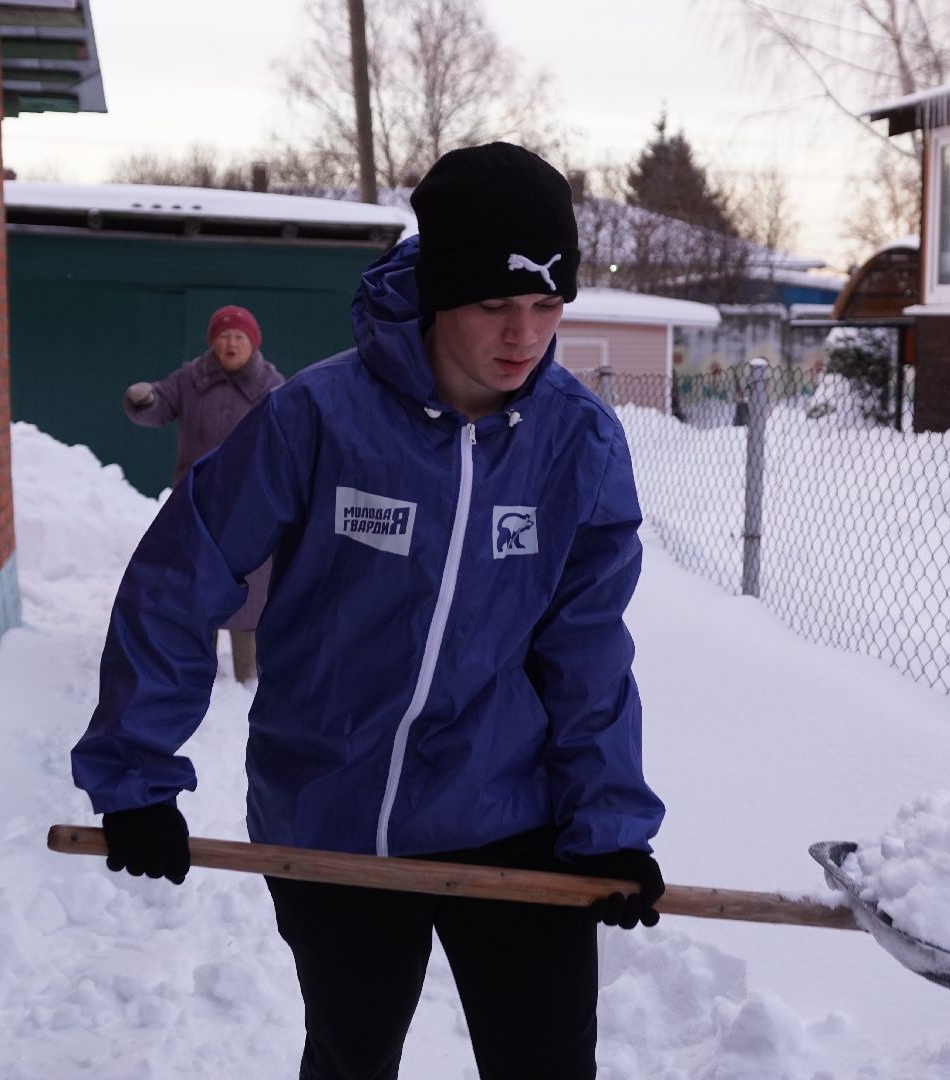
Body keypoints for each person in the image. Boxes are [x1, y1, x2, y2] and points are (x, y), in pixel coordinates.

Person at [73, 142, 666, 1080]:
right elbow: (178, 578)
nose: (525, 336)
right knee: (353, 1057)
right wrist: (137, 777)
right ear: (437, 294)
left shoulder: (578, 441)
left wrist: (611, 824)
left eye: (548, 306)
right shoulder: (319, 418)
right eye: (494, 305)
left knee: (548, 1064)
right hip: (332, 812)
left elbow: (588, 644)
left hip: (509, 808)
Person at [121, 304, 284, 683]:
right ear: (213, 342)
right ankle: (197, 666)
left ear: (252, 343)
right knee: (197, 580)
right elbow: (159, 405)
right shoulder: (191, 378)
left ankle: (248, 672)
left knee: (251, 581)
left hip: (250, 504)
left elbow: (289, 432)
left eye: (239, 337)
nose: (231, 343)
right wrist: (143, 399)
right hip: (197, 500)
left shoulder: (271, 386)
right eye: (224, 336)